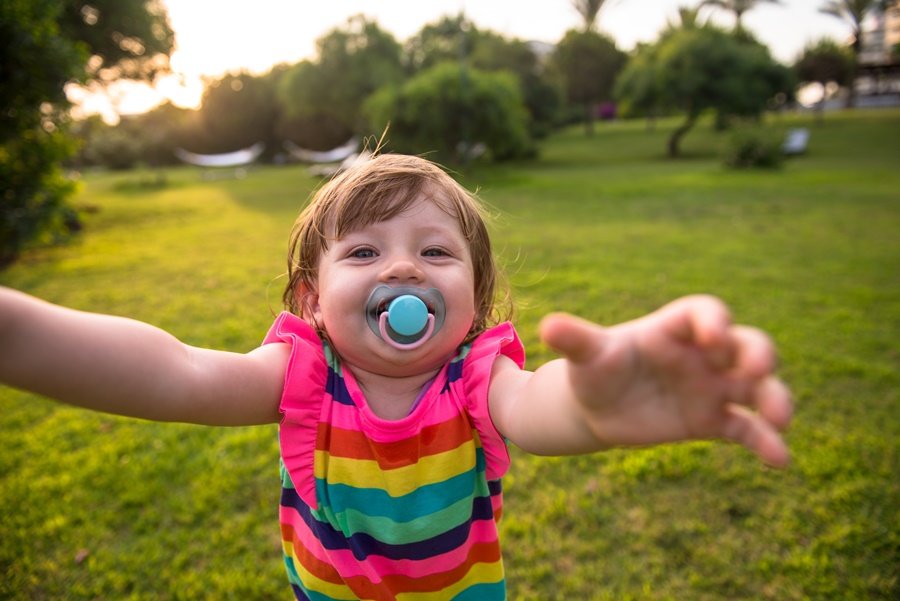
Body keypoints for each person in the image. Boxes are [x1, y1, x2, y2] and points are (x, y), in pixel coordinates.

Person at [0, 153, 792, 600]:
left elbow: (540, 407)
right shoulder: (299, 374)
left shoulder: (479, 375)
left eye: (436, 252)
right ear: (312, 298)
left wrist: (591, 401)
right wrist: (20, 332)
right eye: (365, 251)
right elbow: (175, 372)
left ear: (474, 300)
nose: (406, 265)